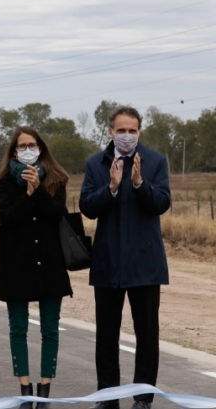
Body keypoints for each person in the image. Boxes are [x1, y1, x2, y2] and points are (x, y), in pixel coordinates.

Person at [80, 106, 171, 409]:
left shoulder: (155, 162)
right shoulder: (96, 164)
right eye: (122, 130)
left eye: (132, 130)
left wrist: (138, 184)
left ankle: (143, 398)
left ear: (139, 131)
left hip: (145, 264)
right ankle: (108, 398)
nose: (127, 136)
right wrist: (112, 187)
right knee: (106, 337)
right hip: (108, 263)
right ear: (110, 132)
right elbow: (88, 207)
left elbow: (161, 203)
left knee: (146, 337)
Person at [0, 127, 73, 409]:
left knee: (50, 329)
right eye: (21, 146)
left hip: (50, 262)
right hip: (16, 263)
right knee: (18, 329)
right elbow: (8, 220)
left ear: (41, 148)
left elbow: (55, 216)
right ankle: (25, 389)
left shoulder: (57, 179)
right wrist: (27, 196)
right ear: (14, 151)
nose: (27, 149)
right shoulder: (3, 182)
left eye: (32, 144)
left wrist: (38, 189)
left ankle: (44, 391)